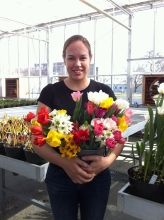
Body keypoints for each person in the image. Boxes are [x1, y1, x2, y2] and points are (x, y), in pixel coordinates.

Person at [32, 35, 124, 220]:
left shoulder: (104, 92)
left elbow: (119, 136)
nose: (77, 64)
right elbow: (36, 140)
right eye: (71, 58)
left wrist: (108, 160)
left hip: (97, 175)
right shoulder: (51, 92)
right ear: (64, 59)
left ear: (90, 58)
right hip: (60, 175)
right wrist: (65, 163)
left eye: (82, 57)